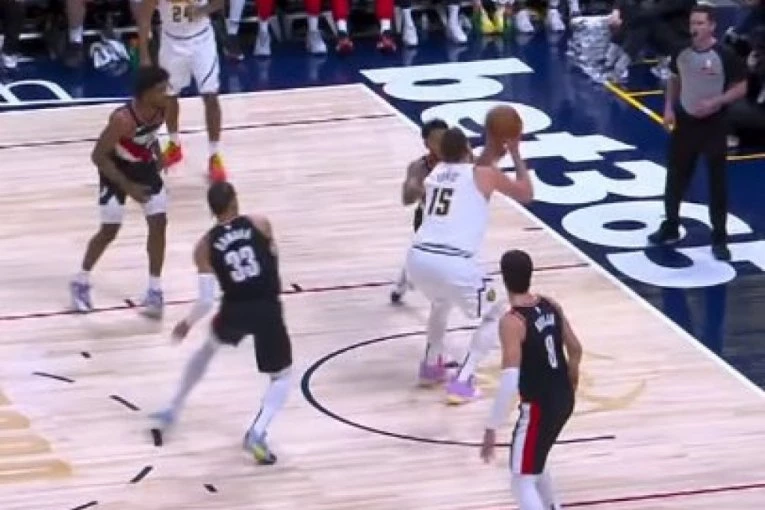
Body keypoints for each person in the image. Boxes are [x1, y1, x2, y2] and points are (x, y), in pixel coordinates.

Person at [149, 181, 293, 465]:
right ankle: (257, 433)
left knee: (208, 349)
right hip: (267, 307)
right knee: (282, 376)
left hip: (234, 309)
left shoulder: (203, 247)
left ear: (212, 209)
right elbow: (273, 261)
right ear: (234, 202)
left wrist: (187, 323)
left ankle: (173, 409)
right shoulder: (261, 223)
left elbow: (205, 301)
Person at [404, 116, 534, 404]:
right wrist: (515, 152)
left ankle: (431, 366)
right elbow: (526, 193)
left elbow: (473, 167)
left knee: (441, 301)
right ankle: (463, 382)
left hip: (418, 257)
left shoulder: (436, 173)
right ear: (466, 149)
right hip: (452, 261)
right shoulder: (482, 175)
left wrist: (493, 148)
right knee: (497, 314)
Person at [480, 249, 581, 510]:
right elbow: (575, 349)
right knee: (537, 462)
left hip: (538, 406)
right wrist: (571, 383)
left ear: (504, 278)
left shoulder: (512, 322)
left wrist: (491, 427)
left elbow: (510, 381)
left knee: (521, 480)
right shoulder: (550, 304)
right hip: (563, 399)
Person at [648, 4, 748, 261]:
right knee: (675, 178)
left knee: (717, 183)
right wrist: (668, 108)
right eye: (693, 23)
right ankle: (670, 225)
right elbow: (674, 79)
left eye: (701, 23)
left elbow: (741, 87)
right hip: (685, 123)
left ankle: (720, 238)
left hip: (714, 125)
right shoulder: (680, 51)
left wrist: (717, 101)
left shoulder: (725, 55)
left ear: (712, 26)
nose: (695, 28)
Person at [69, 66, 170, 319]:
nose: (166, 93)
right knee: (109, 230)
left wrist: (159, 156)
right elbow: (98, 156)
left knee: (159, 223)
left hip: (143, 167)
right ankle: (81, 281)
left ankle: (155, 290)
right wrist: (129, 187)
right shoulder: (122, 120)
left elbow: (150, 135)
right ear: (146, 93)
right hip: (114, 171)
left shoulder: (162, 109)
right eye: (161, 90)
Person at [137, 0, 228, 182]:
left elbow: (219, 3)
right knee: (169, 96)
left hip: (201, 41)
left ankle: (215, 155)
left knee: (210, 95)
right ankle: (174, 145)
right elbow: (144, 18)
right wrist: (144, 55)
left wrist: (202, 10)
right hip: (171, 43)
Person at [391, 118, 448, 304]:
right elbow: (406, 200)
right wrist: (416, 188)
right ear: (427, 143)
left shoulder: (460, 161)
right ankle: (405, 283)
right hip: (428, 217)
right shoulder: (418, 167)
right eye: (436, 140)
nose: (441, 143)